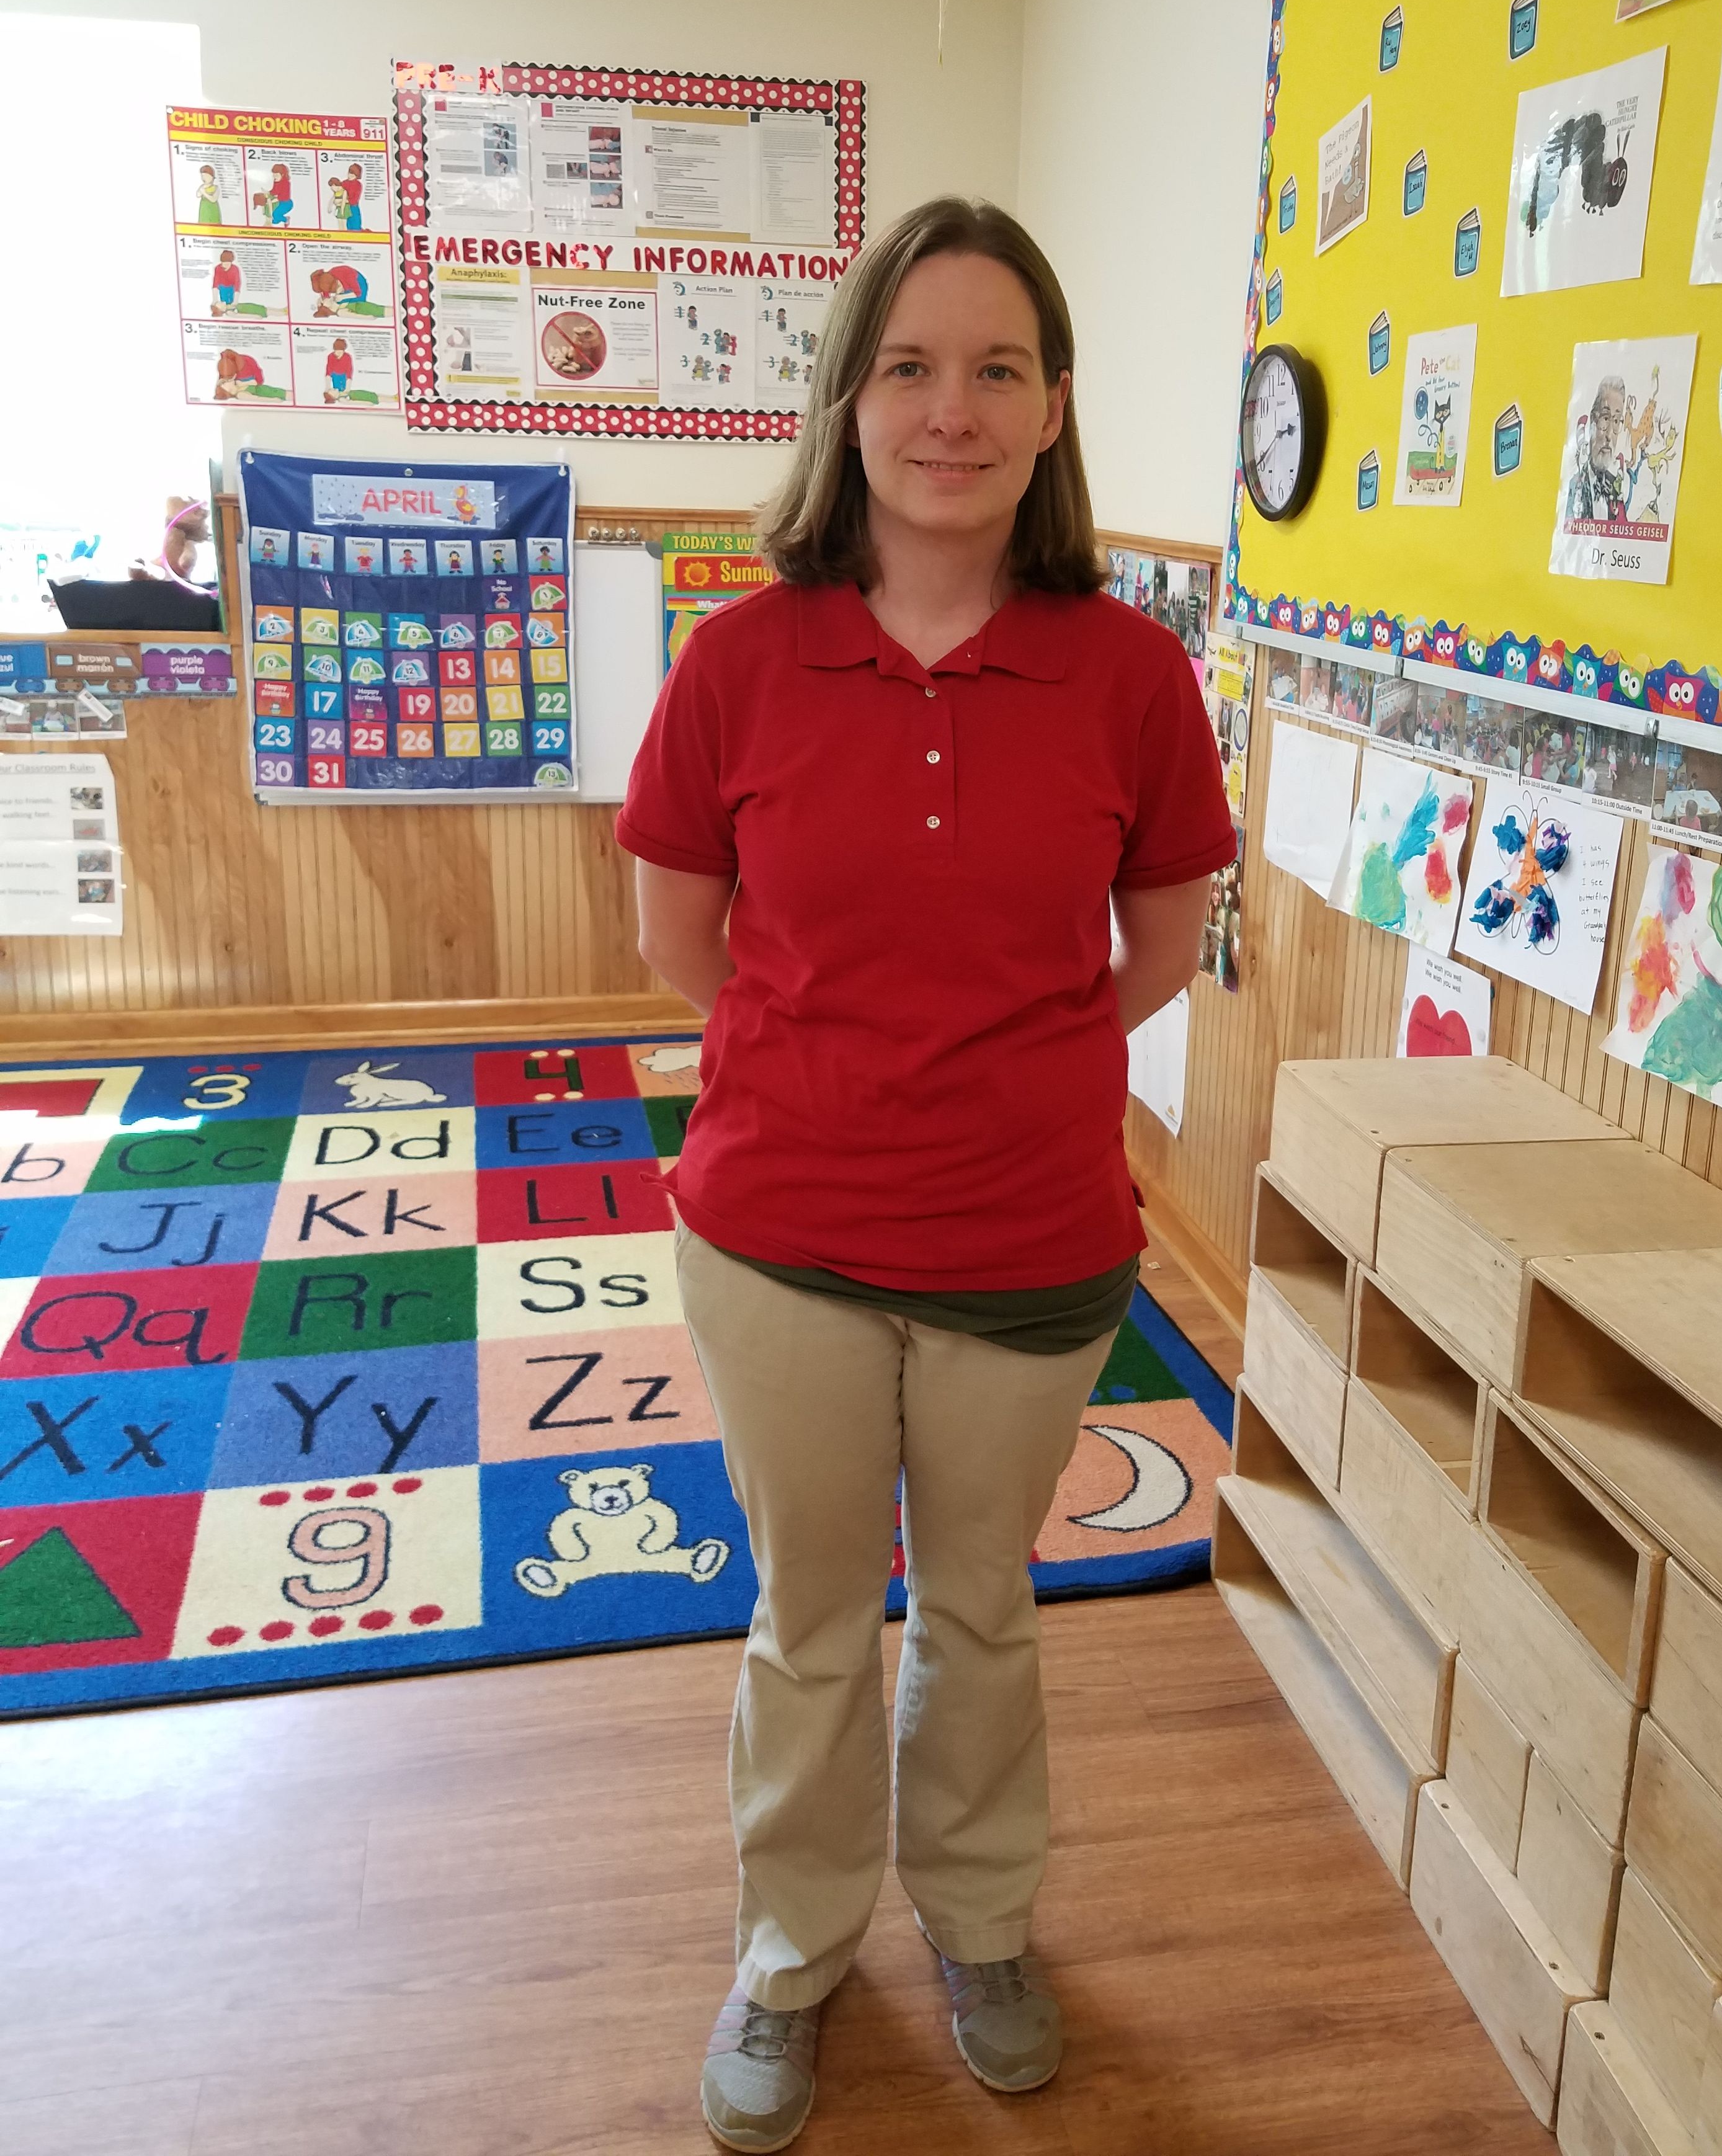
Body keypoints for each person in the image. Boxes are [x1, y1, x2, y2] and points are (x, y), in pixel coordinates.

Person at [616, 196, 1235, 2154]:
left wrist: (995, 1061)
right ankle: (792, 1953)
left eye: (996, 369)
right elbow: (681, 939)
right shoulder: (741, 658)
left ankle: (979, 1929)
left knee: (981, 1612)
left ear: (1053, 409)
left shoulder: (1132, 676)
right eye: (908, 366)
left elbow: (1154, 947)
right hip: (780, 1238)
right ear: (848, 401)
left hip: (1032, 1240)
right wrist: (846, 1061)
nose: (950, 409)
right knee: (810, 1621)